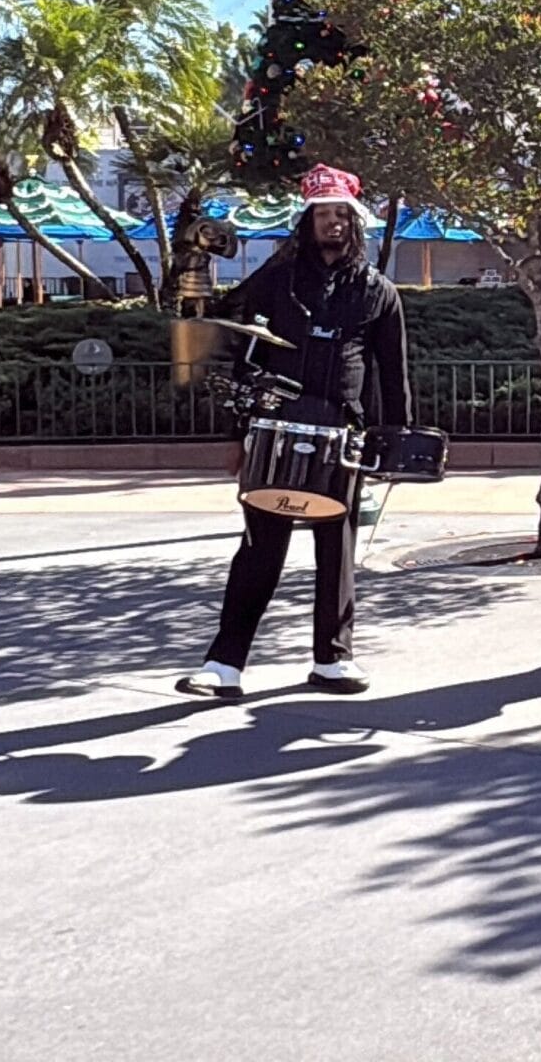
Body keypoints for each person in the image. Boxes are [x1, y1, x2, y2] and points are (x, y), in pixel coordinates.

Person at [177, 164, 409, 701]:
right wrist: (237, 435)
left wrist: (392, 442)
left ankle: (333, 658)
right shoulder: (275, 281)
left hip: (343, 433)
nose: (332, 223)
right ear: (306, 222)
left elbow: (391, 374)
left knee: (337, 550)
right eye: (322, 214)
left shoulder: (380, 292)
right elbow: (240, 350)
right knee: (259, 550)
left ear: (356, 223)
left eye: (341, 215)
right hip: (273, 427)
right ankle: (224, 664)